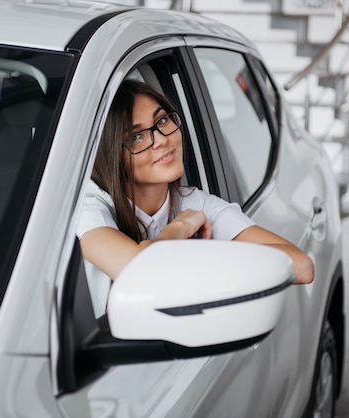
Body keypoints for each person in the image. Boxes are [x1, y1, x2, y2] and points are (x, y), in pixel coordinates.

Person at [77, 79, 314, 317]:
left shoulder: (195, 204)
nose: (161, 139)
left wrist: (201, 260)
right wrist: (181, 227)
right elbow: (139, 272)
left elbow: (302, 266)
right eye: (136, 137)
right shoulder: (87, 208)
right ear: (110, 155)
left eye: (162, 121)